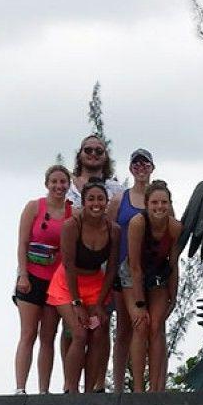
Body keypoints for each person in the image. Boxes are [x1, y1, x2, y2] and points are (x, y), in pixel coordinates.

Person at [46, 179, 120, 393]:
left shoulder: (113, 230)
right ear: (84, 201)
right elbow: (68, 264)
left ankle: (89, 391)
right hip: (68, 283)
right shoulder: (72, 225)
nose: (96, 203)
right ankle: (71, 389)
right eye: (91, 199)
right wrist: (77, 303)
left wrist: (99, 304)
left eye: (100, 199)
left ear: (106, 202)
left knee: (97, 332)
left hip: (96, 283)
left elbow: (112, 267)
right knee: (78, 332)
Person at [67, 135, 124, 390]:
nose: (93, 154)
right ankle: (71, 385)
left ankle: (98, 383)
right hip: (70, 267)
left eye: (98, 150)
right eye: (88, 150)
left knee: (100, 327)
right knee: (72, 330)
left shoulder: (115, 188)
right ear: (79, 154)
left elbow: (114, 226)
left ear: (105, 155)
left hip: (101, 269)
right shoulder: (64, 184)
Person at [12, 165, 73, 394]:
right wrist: (23, 275)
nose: (59, 186)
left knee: (49, 336)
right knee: (28, 333)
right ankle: (20, 387)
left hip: (55, 282)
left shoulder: (72, 213)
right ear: (47, 184)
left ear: (68, 185)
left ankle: (44, 390)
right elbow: (22, 243)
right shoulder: (34, 207)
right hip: (31, 277)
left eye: (63, 182)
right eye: (54, 182)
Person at [121, 179, 182, 392]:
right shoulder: (138, 223)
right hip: (133, 274)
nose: (159, 207)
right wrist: (139, 303)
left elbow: (173, 265)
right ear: (147, 204)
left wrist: (173, 298)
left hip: (157, 275)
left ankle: (157, 389)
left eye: (163, 202)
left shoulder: (175, 228)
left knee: (157, 326)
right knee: (141, 324)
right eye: (155, 203)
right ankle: (138, 388)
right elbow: (135, 267)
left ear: (169, 204)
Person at [107, 148, 155, 392]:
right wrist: (110, 270)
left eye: (145, 164)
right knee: (124, 328)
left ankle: (150, 384)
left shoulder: (158, 198)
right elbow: (110, 235)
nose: (140, 168)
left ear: (152, 168)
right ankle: (118, 387)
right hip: (123, 271)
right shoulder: (119, 200)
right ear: (130, 168)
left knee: (150, 327)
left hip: (150, 271)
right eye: (136, 164)